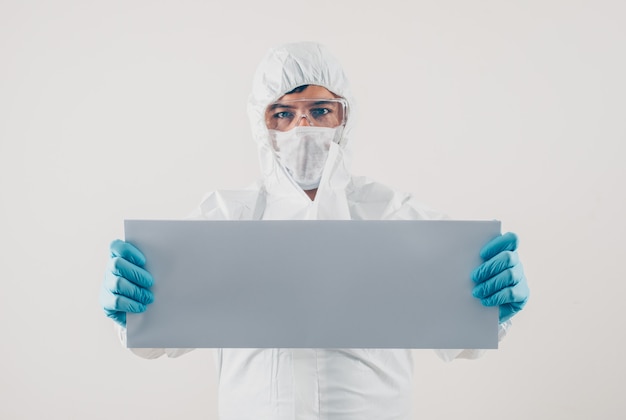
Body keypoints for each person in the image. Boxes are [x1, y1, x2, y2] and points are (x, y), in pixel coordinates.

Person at [100, 42, 529, 419]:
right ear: (261, 123)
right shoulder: (226, 216)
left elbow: (462, 338)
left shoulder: (392, 213)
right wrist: (134, 314)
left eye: (320, 111)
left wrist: (491, 308)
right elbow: (158, 342)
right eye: (283, 113)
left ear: (345, 117)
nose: (302, 127)